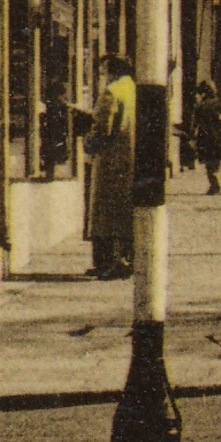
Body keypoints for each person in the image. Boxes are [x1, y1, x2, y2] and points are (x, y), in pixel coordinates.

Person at [84, 56, 135, 280]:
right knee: (125, 209)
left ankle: (111, 261)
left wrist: (89, 143)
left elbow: (102, 127)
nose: (103, 76)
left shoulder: (111, 91)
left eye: (104, 71)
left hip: (110, 158)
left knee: (106, 210)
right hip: (130, 156)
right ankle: (123, 257)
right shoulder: (134, 89)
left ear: (111, 71)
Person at [193, 80, 221, 195]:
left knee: (209, 163)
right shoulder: (219, 104)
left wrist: (193, 135)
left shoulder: (200, 106)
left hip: (205, 137)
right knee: (218, 160)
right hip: (219, 135)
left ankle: (214, 184)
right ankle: (217, 182)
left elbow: (195, 123)